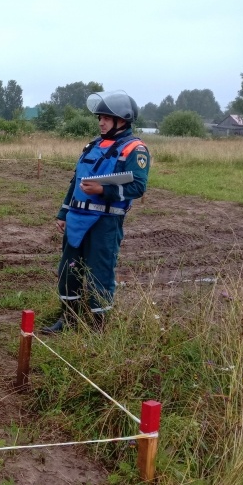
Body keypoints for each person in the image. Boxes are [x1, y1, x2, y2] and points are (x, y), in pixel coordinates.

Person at [41, 91, 150, 334]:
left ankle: (98, 327)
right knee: (68, 269)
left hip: (106, 222)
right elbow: (75, 181)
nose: (100, 122)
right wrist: (63, 212)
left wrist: (103, 189)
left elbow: (138, 186)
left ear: (122, 120)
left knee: (99, 273)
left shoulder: (135, 149)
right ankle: (68, 320)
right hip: (76, 219)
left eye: (105, 118)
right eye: (99, 117)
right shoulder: (93, 145)